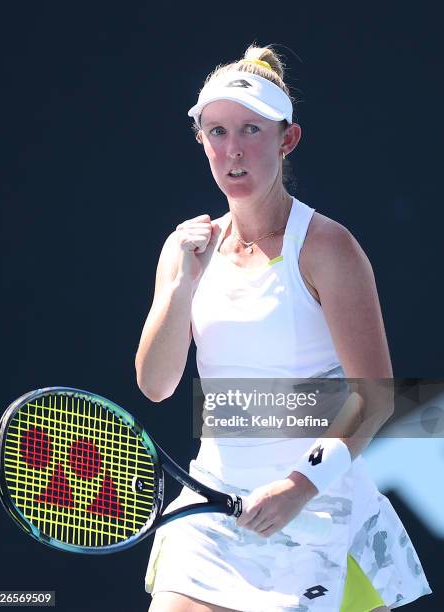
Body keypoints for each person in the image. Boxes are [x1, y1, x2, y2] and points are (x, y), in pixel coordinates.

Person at [135, 44, 431, 612]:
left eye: (251, 129)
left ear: (286, 139)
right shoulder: (186, 249)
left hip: (317, 505)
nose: (234, 150)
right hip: (214, 509)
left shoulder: (329, 249)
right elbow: (156, 384)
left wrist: (299, 485)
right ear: (201, 140)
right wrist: (179, 287)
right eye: (217, 132)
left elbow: (375, 399)